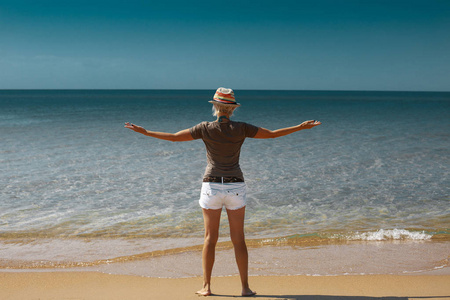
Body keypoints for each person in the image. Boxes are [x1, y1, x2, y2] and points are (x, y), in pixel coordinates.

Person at [125, 87, 321, 297]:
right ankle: (245, 288)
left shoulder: (204, 128)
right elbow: (272, 135)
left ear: (215, 107)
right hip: (235, 185)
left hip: (211, 185)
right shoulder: (242, 128)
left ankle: (207, 287)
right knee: (239, 239)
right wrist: (300, 127)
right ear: (232, 109)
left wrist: (145, 132)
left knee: (210, 238)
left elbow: (173, 138)